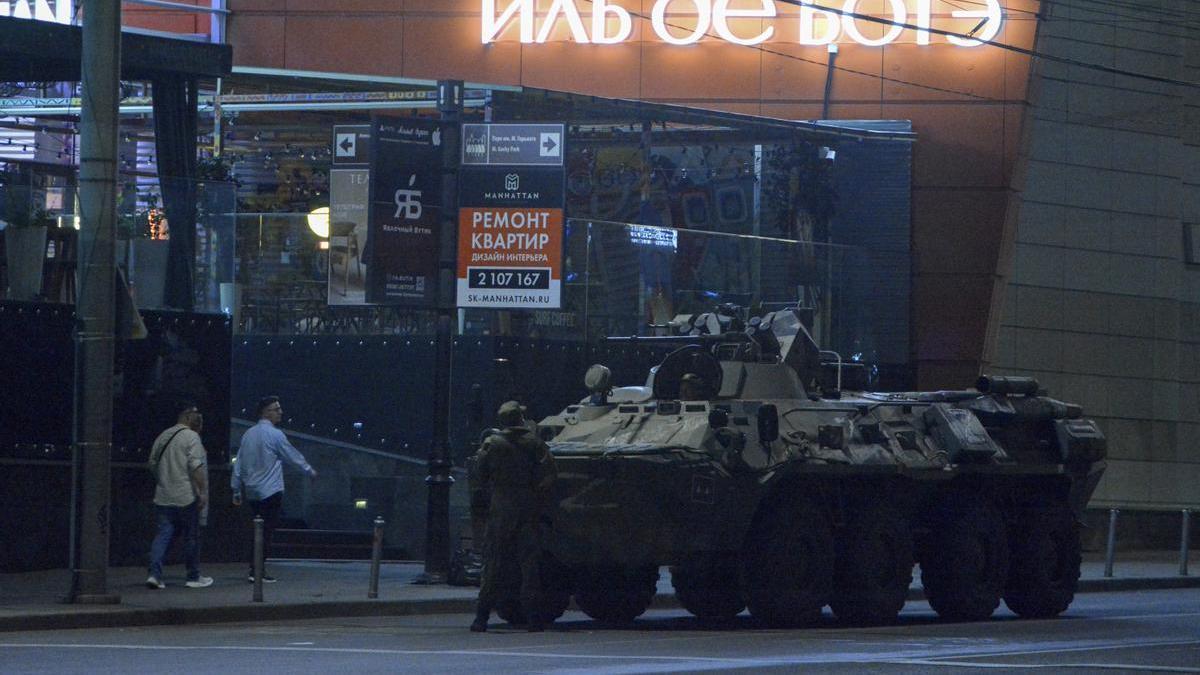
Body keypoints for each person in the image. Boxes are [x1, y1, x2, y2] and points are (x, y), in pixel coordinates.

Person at [470, 401, 557, 633]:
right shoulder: (535, 444)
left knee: (493, 564)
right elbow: (549, 475)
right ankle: (533, 618)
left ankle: (481, 617)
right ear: (520, 418)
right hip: (527, 507)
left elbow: (479, 472)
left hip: (501, 506)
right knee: (529, 565)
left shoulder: (492, 443)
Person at [231, 396, 318, 583]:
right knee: (267, 532)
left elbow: (240, 462)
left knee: (257, 530)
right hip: (271, 490)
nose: (280, 412)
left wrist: (236, 488)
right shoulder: (276, 435)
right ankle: (258, 570)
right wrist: (309, 470)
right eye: (276, 409)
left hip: (252, 491)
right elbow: (292, 456)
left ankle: (254, 568)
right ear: (265, 412)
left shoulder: (248, 434)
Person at [146, 401, 212, 589]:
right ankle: (193, 576)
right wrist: (202, 491)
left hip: (163, 494)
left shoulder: (163, 436)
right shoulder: (191, 437)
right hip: (186, 495)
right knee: (192, 536)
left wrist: (163, 479)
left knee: (163, 534)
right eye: (195, 413)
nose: (198, 417)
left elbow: (152, 463)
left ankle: (154, 575)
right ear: (186, 416)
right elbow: (196, 466)